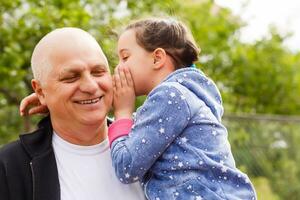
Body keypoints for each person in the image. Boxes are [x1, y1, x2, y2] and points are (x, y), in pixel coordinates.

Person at [108, 18, 257, 200]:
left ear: (157, 58)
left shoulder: (170, 96)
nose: (119, 67)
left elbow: (127, 167)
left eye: (125, 57)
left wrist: (122, 113)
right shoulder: (187, 94)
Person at [0, 27, 145, 200]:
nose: (91, 87)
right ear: (39, 91)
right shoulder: (10, 167)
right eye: (71, 77)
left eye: (98, 72)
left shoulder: (148, 143)